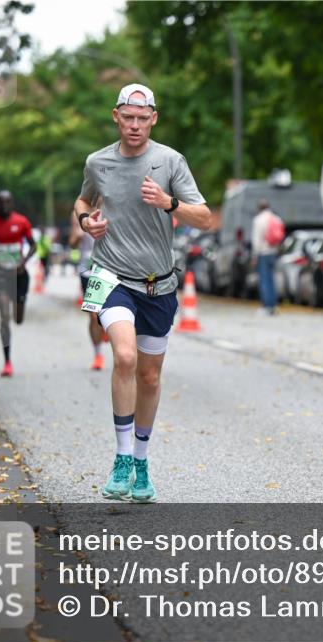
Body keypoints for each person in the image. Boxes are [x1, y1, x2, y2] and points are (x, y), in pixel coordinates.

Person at [74, 83, 214, 503]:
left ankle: (140, 461)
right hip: (111, 275)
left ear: (153, 119)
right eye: (127, 118)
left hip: (159, 283)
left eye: (142, 118)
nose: (134, 126)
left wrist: (169, 204)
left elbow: (204, 218)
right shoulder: (98, 162)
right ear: (116, 116)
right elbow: (82, 202)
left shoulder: (170, 161)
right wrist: (87, 224)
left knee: (150, 376)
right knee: (127, 357)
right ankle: (119, 459)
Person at [0, 191, 36, 377]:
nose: (4, 206)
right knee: (4, 317)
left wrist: (23, 261)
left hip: (19, 274)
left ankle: (20, 304)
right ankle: (7, 361)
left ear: (12, 203)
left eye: (7, 202)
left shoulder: (21, 222)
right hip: (0, 275)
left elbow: (33, 245)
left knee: (18, 319)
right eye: (0, 203)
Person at [68, 208, 106, 371]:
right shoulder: (79, 211)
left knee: (112, 310)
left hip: (111, 266)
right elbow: (72, 244)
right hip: (89, 269)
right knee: (94, 314)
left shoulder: (114, 202)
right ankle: (98, 354)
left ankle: (107, 327)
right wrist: (77, 236)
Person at [251, 199, 281, 315]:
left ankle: (266, 306)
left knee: (264, 280)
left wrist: (254, 256)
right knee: (272, 280)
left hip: (263, 253)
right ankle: (274, 305)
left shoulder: (258, 220)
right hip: (273, 252)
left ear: (259, 207)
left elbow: (256, 240)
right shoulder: (276, 218)